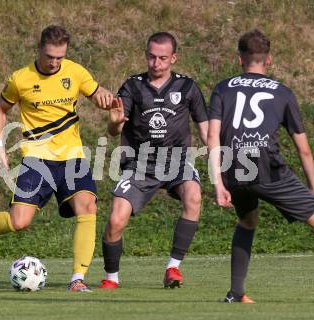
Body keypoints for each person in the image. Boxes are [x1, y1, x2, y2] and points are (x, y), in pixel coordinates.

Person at [0, 25, 115, 292]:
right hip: (36, 159)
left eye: (60, 57)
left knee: (87, 207)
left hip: (71, 157)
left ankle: (77, 279)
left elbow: (98, 93)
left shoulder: (76, 72)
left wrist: (105, 99)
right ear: (39, 50)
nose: (54, 62)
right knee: (18, 222)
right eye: (49, 56)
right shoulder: (20, 79)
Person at [208, 29, 314, 303]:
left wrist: (218, 182)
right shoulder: (283, 92)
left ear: (239, 59)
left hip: (235, 170)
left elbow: (212, 137)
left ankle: (236, 293)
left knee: (247, 219)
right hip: (267, 167)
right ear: (268, 60)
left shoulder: (222, 88)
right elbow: (303, 149)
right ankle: (236, 292)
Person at [98, 32, 208, 290]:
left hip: (177, 162)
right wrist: (113, 123)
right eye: (151, 57)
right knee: (115, 220)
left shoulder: (187, 87)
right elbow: (114, 129)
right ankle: (111, 279)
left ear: (173, 58)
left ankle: (173, 267)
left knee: (193, 196)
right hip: (139, 164)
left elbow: (205, 129)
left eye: (162, 58)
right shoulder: (132, 87)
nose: (155, 63)